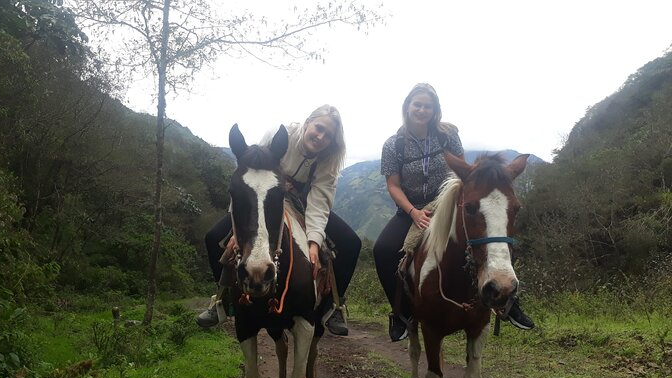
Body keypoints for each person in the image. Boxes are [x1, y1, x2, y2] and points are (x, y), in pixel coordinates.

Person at [373, 83, 535, 342]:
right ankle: (401, 311)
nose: (422, 110)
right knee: (382, 250)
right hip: (412, 209)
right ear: (407, 107)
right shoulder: (394, 145)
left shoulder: (446, 135)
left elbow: (465, 173)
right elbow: (393, 185)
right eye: (417, 104)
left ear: (435, 110)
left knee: (491, 235)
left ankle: (508, 302)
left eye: (428, 106)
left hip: (447, 201)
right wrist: (413, 212)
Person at [197, 105, 361, 336]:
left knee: (351, 244)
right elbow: (248, 175)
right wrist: (237, 226)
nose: (321, 137)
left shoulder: (328, 160)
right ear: (307, 123)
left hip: (303, 205)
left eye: (328, 135)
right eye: (319, 128)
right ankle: (223, 300)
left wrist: (313, 242)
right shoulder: (278, 136)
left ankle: (333, 306)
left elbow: (320, 200)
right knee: (214, 237)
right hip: (265, 198)